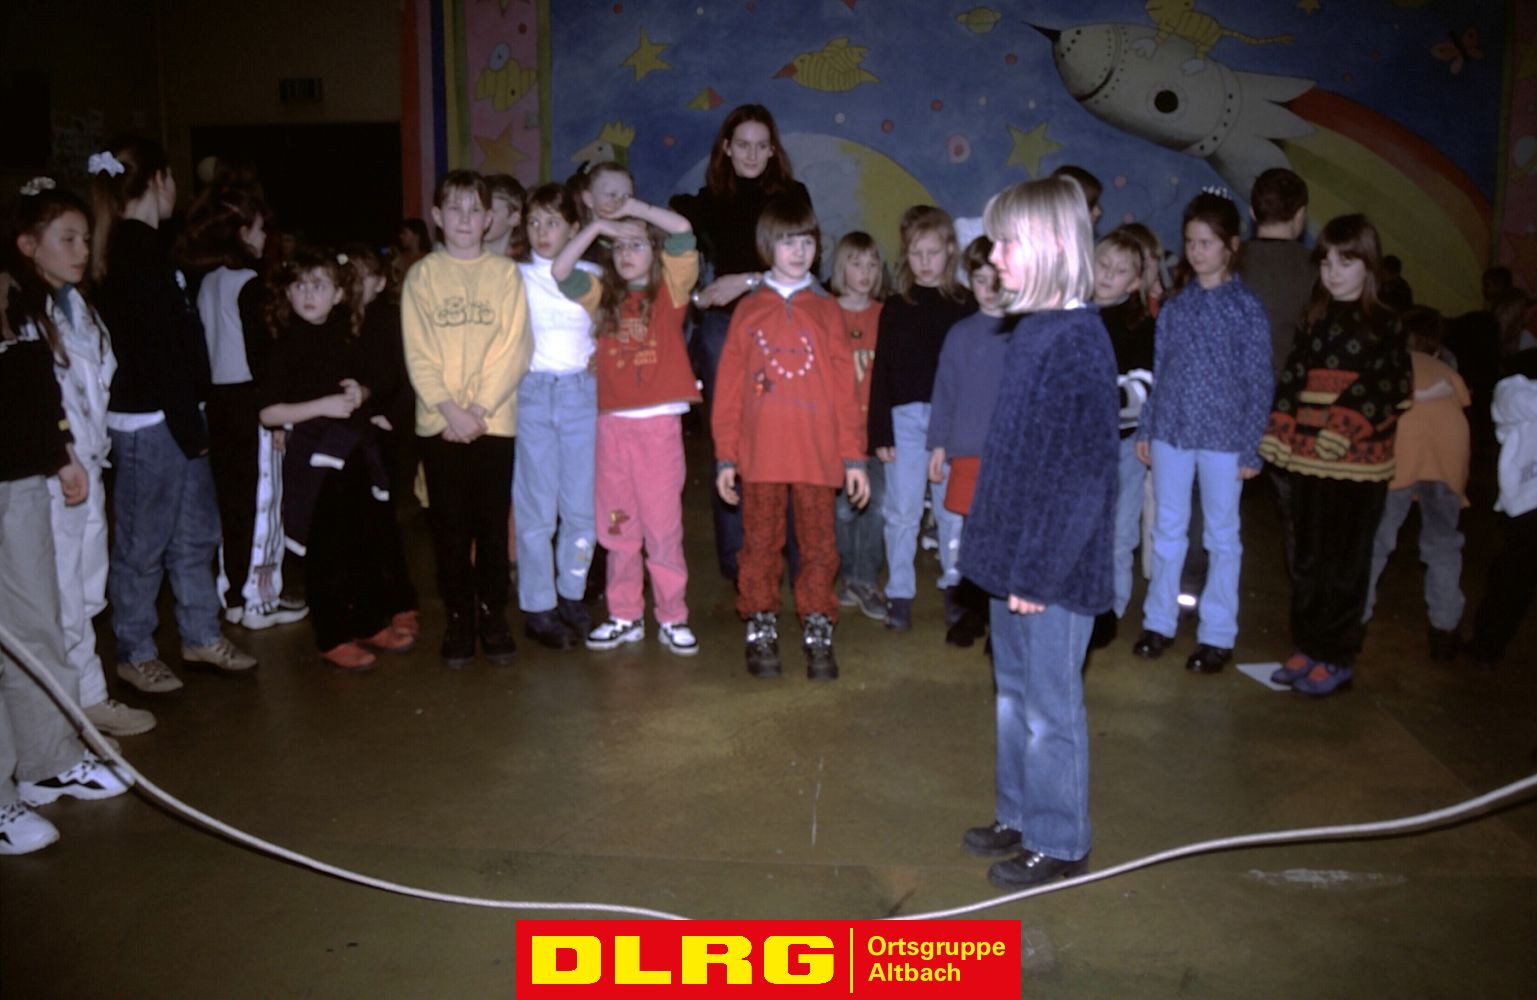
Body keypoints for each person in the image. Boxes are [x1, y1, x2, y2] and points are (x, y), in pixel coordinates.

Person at [958, 176, 1118, 889]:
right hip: (1014, 559)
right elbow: (1019, 454)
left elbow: (1078, 478)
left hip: (1053, 570)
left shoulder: (1079, 342)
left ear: (1052, 245)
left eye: (1005, 243)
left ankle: (1059, 838)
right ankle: (1019, 814)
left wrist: (1037, 572)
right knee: (1012, 695)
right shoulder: (1033, 329)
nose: (993, 256)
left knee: (1050, 707)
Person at [90, 138, 257, 693]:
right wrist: (189, 424)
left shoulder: (152, 247)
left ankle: (200, 634)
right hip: (151, 423)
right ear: (159, 179)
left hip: (179, 417)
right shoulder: (131, 252)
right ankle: (135, 651)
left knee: (195, 534)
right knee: (142, 545)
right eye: (172, 180)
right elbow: (155, 350)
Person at [5, 180, 154, 737]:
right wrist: (62, 450)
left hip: (87, 464)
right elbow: (42, 399)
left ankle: (77, 696)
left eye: (86, 239)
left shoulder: (80, 308)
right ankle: (80, 703)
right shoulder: (23, 314)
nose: (81, 250)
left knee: (88, 586)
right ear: (28, 245)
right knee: (63, 591)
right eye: (66, 239)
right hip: (54, 473)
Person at [0, 253, 132, 854]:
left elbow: (29, 371)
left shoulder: (15, 288)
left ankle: (46, 760)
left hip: (20, 466)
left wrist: (61, 449)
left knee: (37, 622)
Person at [712, 194, 869, 680]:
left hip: (816, 459)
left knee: (819, 546)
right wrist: (725, 457)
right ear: (767, 246)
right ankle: (760, 621)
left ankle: (818, 622)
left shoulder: (827, 311)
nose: (798, 252)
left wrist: (853, 458)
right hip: (760, 458)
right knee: (759, 544)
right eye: (787, 242)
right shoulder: (748, 311)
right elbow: (729, 391)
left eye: (806, 242)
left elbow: (845, 391)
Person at [1259, 214, 1413, 696]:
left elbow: (1392, 385)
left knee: (1345, 565)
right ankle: (1308, 645)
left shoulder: (1386, 323)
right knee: (1308, 559)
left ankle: (1336, 656)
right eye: (1326, 262)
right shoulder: (1314, 317)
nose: (1333, 272)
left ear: (1368, 264)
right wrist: (1280, 425)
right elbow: (1294, 375)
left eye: (1345, 262)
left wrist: (1344, 424)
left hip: (1358, 467)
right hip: (1308, 461)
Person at [553, 194, 702, 655]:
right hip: (612, 429)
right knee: (617, 528)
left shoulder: (671, 291)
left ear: (654, 252)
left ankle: (672, 616)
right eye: (619, 248)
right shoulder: (603, 298)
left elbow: (682, 230)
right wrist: (598, 228)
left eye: (637, 245)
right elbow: (561, 270)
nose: (627, 253)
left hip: (657, 430)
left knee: (662, 530)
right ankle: (625, 615)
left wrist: (632, 210)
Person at [1132, 190, 1272, 674]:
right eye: (1190, 242)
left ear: (1231, 245)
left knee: (1221, 536)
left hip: (1224, 439)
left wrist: (1250, 446)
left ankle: (1217, 633)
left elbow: (1259, 381)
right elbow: (1161, 371)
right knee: (1167, 530)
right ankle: (1159, 621)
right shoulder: (1177, 306)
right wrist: (1148, 426)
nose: (1196, 252)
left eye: (1207, 243)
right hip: (1172, 431)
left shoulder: (1246, 308)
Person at [671, 104, 811, 581]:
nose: (752, 154)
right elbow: (669, 232)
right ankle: (737, 559)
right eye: (743, 144)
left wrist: (745, 281)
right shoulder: (706, 201)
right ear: (726, 149)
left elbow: (805, 267)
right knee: (728, 441)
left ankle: (792, 551)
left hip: (782, 325)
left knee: (786, 435)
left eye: (761, 145)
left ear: (773, 151)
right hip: (725, 330)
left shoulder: (792, 196)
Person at [256, 248, 414, 671]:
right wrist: (322, 406)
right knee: (324, 550)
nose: (309, 295)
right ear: (287, 293)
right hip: (313, 460)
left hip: (353, 451)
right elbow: (268, 412)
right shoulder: (283, 344)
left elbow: (371, 380)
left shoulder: (346, 333)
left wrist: (362, 392)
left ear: (339, 294)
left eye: (319, 286)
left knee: (362, 541)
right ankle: (332, 635)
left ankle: (368, 622)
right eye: (300, 285)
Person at [401, 170, 533, 667]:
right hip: (440, 424)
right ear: (437, 216)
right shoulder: (422, 277)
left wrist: (478, 409)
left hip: (492, 423)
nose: (464, 219)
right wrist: (450, 409)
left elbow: (515, 348)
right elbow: (418, 352)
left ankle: (492, 616)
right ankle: (459, 619)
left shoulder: (505, 275)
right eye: (454, 209)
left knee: (492, 528)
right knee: (449, 530)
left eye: (474, 210)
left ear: (489, 219)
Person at [181, 184, 308, 632]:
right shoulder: (251, 285)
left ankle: (233, 595)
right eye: (257, 228)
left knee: (232, 506)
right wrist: (278, 414)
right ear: (240, 233)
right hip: (250, 403)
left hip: (217, 405)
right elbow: (262, 356)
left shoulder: (207, 282)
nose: (263, 236)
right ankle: (260, 600)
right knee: (262, 504)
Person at [865, 205, 973, 632]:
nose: (925, 262)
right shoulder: (895, 307)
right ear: (905, 255)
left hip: (953, 423)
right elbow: (882, 372)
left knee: (952, 510)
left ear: (950, 251)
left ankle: (955, 586)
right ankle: (900, 592)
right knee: (902, 510)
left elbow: (973, 371)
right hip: (905, 419)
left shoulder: (965, 305)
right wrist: (880, 431)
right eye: (916, 253)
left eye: (933, 252)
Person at [514, 182, 600, 649]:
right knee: (536, 509)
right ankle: (538, 604)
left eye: (552, 222)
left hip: (581, 394)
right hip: (533, 393)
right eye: (533, 222)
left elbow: (610, 330)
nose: (542, 232)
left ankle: (572, 593)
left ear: (574, 227)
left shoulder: (591, 276)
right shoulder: (515, 276)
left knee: (581, 509)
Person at [1362, 307, 1471, 660]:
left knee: (1378, 539)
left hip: (1402, 450)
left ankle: (1356, 619)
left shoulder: (1391, 363)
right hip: (1449, 450)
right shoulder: (1446, 368)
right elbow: (1464, 399)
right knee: (1443, 543)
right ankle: (1444, 631)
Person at [926, 236, 1011, 648]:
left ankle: (1002, 623)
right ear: (969, 281)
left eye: (997, 279)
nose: (989, 289)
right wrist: (939, 444)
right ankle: (972, 613)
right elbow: (944, 393)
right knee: (971, 538)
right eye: (980, 280)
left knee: (1004, 537)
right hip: (968, 453)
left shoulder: (1024, 331)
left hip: (1009, 457)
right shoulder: (960, 334)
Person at [1240, 167, 1314, 573]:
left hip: (1233, 404)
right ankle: (1304, 592)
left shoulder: (1230, 261)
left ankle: (1194, 597)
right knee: (1296, 514)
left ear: (1253, 212)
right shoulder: (1317, 269)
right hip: (1293, 407)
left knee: (1215, 509)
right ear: (1300, 214)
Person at [348, 243, 422, 641]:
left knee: (384, 520)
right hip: (352, 432)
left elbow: (409, 376)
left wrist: (389, 418)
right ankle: (369, 603)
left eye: (361, 276)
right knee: (358, 523)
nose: (353, 284)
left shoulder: (390, 318)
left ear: (379, 282)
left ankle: (401, 601)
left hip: (388, 432)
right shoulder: (342, 319)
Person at [1092, 230, 1156, 646]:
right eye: (1103, 265)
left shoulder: (1141, 326)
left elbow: (1142, 388)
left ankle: (1113, 608)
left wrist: (1097, 396)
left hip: (1123, 443)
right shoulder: (1072, 314)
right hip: (1079, 445)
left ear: (1134, 282)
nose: (1107, 276)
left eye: (1119, 272)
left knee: (1119, 531)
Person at [829, 231, 888, 621]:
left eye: (872, 265)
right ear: (841, 268)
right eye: (856, 264)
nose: (865, 273)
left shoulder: (886, 315)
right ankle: (848, 575)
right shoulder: (824, 313)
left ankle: (865, 579)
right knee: (842, 510)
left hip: (875, 433)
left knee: (876, 505)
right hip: (835, 435)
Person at [1468, 343, 1537, 668]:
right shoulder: (1512, 391)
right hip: (1527, 504)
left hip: (1526, 504)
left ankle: (1486, 646)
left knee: (1512, 579)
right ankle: (1486, 646)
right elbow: (1514, 401)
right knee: (1512, 579)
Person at [483, 174, 527, 260]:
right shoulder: (463, 257)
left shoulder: (523, 263)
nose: (483, 218)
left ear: (514, 218)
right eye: (477, 210)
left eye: (491, 212)